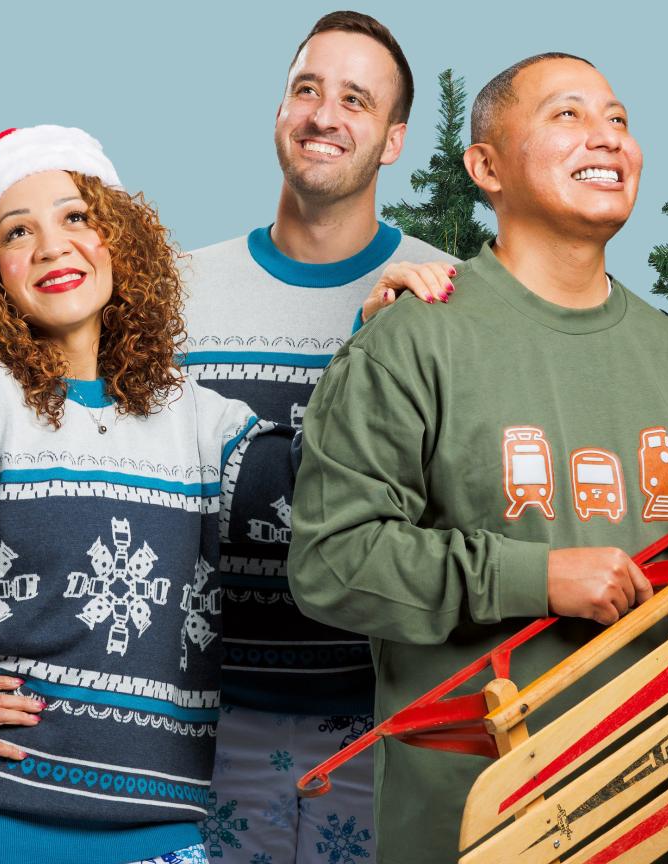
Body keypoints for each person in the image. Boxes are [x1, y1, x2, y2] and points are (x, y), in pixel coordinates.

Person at [0, 125, 450, 864]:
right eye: (17, 231)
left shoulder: (193, 416)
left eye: (75, 217)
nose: (51, 245)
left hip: (155, 835)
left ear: (117, 238)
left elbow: (315, 494)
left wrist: (373, 345)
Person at [288, 53, 668, 863]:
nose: (606, 137)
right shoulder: (412, 341)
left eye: (619, 118)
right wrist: (538, 577)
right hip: (471, 833)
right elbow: (331, 561)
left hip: (663, 829)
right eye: (567, 115)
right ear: (486, 166)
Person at [180, 11, 455, 862]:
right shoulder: (180, 295)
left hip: (382, 724)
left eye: (355, 100)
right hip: (199, 722)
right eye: (307, 89)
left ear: (393, 139)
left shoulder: (446, 297)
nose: (324, 115)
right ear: (278, 113)